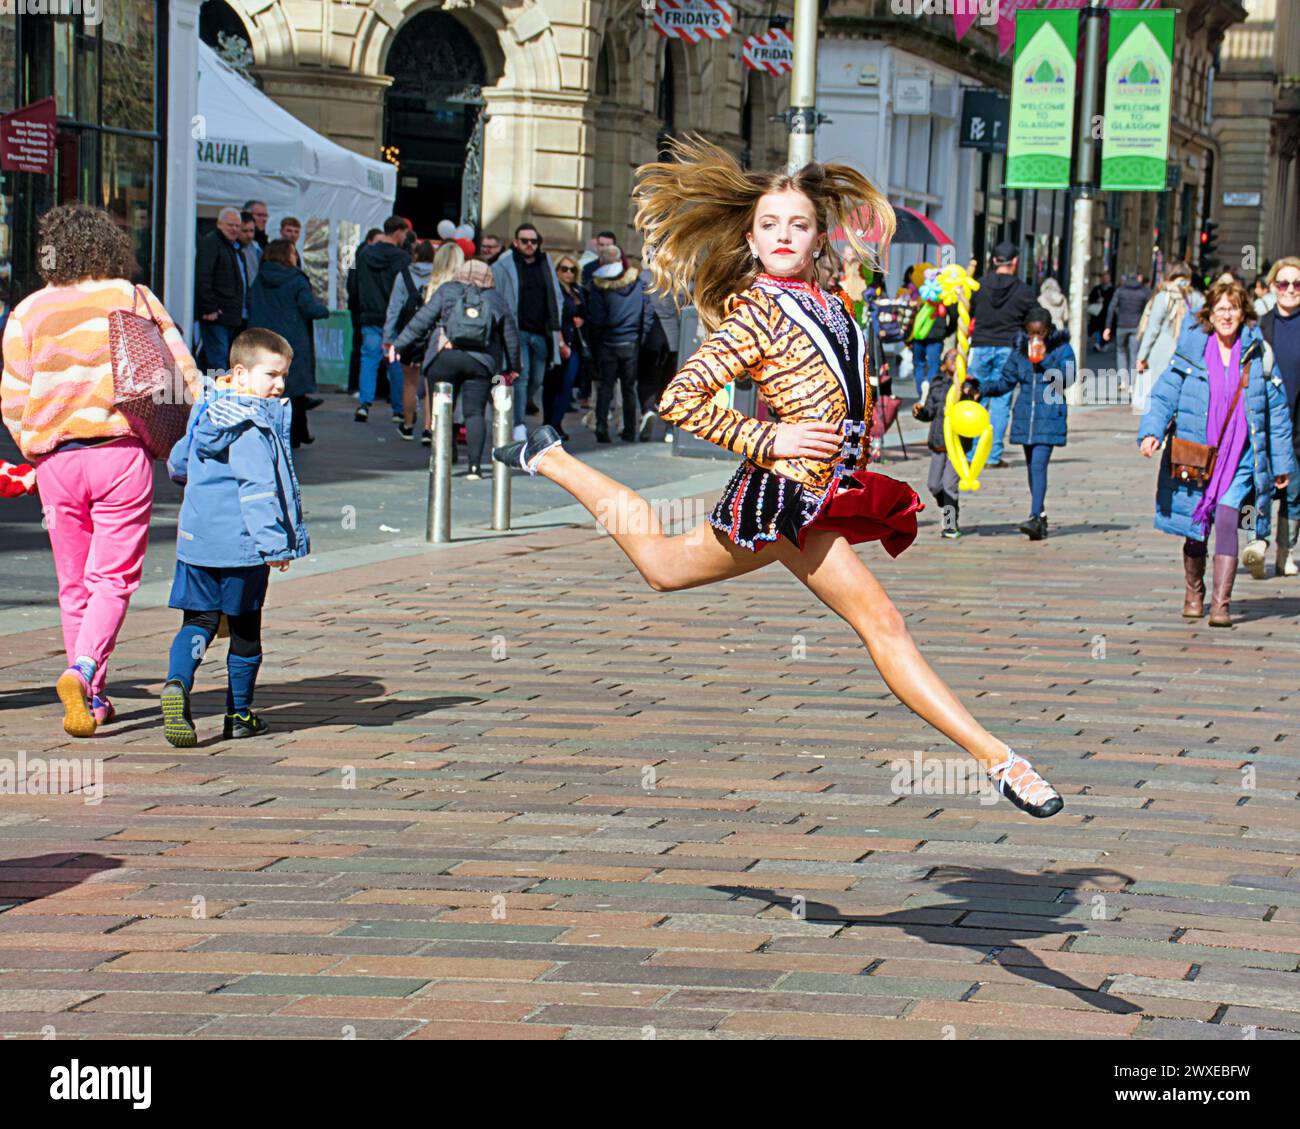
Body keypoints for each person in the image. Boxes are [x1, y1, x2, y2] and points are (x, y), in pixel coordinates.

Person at [491, 133, 1064, 819]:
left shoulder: (830, 302)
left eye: (797, 224)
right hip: (788, 495)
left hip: (820, 489)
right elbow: (679, 400)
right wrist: (771, 433)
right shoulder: (758, 310)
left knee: (665, 567)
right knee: (883, 621)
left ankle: (548, 457)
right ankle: (1000, 759)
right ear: (752, 238)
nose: (783, 235)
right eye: (769, 225)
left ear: (820, 235)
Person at [1, 204, 202, 736]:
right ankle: (84, 670)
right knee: (112, 578)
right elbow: (181, 373)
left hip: (57, 463)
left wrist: (34, 452)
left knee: (74, 584)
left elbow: (14, 400)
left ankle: (92, 701)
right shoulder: (131, 296)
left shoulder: (27, 311)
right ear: (108, 246)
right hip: (120, 453)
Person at [160, 328, 309, 746]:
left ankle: (178, 683)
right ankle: (239, 713)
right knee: (245, 630)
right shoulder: (252, 423)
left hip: (196, 541)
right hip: (242, 547)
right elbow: (258, 490)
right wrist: (275, 545)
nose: (279, 385)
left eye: (283, 377)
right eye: (271, 375)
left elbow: (179, 461)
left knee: (199, 621)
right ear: (241, 375)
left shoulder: (207, 406)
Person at [1137, 278, 1295, 627]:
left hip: (1239, 458)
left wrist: (1283, 463)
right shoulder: (1192, 350)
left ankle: (1221, 604)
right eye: (1221, 308)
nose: (1227, 315)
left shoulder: (1259, 353)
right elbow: (1165, 395)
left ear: (1243, 312)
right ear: (1210, 312)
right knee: (1196, 529)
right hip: (1197, 456)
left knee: (1226, 517)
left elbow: (1278, 413)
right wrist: (1151, 432)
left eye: (1234, 308)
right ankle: (1194, 592)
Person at [393, 258, 520, 480]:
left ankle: (444, 458)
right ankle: (474, 468)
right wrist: (514, 366)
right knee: (474, 412)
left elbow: (422, 320)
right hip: (480, 362)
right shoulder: (494, 298)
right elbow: (510, 334)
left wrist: (399, 344)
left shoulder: (447, 290)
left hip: (444, 356)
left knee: (442, 409)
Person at [973, 306, 1077, 540]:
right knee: (1031, 468)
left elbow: (1067, 379)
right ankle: (1039, 515)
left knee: (1039, 464)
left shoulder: (1062, 350)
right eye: (1031, 333)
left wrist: (1044, 362)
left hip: (1049, 416)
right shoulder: (1019, 352)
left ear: (1049, 331)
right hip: (1024, 417)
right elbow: (1005, 382)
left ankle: (1035, 515)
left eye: (1039, 333)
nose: (1035, 338)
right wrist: (980, 387)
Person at [248, 238, 329, 449]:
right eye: (293, 253)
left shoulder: (260, 278)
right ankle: (294, 435)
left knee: (269, 387)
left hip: (264, 339)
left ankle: (291, 432)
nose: (296, 256)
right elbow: (309, 307)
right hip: (292, 340)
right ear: (286, 255)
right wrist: (323, 310)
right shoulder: (296, 279)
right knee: (292, 390)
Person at [491, 223, 564, 438]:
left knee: (537, 379)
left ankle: (518, 408)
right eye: (525, 241)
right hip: (517, 330)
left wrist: (557, 329)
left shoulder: (545, 263)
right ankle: (518, 424)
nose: (530, 245)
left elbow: (556, 295)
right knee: (521, 377)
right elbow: (496, 295)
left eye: (534, 241)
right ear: (516, 242)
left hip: (543, 331)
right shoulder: (504, 264)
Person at [969, 240, 1036, 468]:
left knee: (976, 397)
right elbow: (1036, 318)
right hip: (1009, 348)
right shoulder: (1024, 291)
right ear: (1015, 262)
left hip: (980, 346)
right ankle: (991, 454)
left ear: (994, 260)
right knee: (1000, 401)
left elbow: (965, 311)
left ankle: (971, 454)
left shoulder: (978, 286)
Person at [1257, 256, 1300, 577]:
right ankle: (1254, 545)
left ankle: (1285, 553)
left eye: (1297, 284)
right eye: (1283, 283)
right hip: (1262, 424)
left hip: (1297, 424)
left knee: (1294, 494)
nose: (1290, 290)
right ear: (1273, 287)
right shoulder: (1259, 326)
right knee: (1252, 492)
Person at [585, 244, 654, 443]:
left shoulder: (599, 285)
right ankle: (630, 430)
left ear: (601, 261)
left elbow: (596, 319)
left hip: (608, 343)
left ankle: (601, 427)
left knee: (605, 388)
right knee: (628, 388)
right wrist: (640, 335)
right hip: (631, 342)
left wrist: (595, 343)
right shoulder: (637, 282)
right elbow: (647, 312)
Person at [911, 348, 975, 539]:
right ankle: (947, 505)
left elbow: (974, 406)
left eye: (958, 357)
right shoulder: (937, 383)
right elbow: (930, 411)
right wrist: (920, 412)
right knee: (933, 485)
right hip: (939, 441)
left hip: (957, 443)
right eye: (951, 357)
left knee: (948, 485)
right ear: (943, 363)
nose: (955, 360)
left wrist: (969, 392)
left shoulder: (967, 384)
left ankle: (950, 525)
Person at [352, 215, 411, 423]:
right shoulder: (402, 258)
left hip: (369, 313)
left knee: (369, 358)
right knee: (395, 362)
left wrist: (358, 307)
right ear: (398, 232)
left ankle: (364, 403)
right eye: (404, 233)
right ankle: (398, 408)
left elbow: (354, 280)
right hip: (393, 317)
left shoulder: (365, 254)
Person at [383, 240, 436, 440]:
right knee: (431, 383)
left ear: (414, 256)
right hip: (431, 333)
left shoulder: (403, 275)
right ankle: (428, 429)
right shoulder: (437, 276)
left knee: (409, 383)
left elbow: (394, 308)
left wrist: (388, 337)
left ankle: (407, 425)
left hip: (409, 333)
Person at [1134, 262, 1204, 414]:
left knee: (1157, 394)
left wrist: (1142, 356)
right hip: (1187, 350)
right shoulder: (1195, 297)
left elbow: (1153, 329)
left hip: (1161, 351)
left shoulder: (1163, 297)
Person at [195, 206, 249, 372]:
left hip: (228, 314)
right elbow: (203, 276)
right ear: (219, 224)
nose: (234, 229)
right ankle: (216, 394)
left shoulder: (234, 248)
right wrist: (209, 307)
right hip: (216, 314)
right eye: (230, 225)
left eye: (237, 226)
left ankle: (204, 392)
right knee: (218, 358)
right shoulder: (212, 243)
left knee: (214, 356)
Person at [547, 254, 587, 440]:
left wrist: (581, 320)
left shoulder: (577, 290)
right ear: (557, 271)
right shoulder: (555, 291)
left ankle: (556, 424)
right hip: (559, 343)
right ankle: (551, 424)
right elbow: (554, 318)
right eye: (564, 269)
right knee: (555, 386)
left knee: (567, 386)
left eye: (572, 270)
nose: (568, 273)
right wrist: (561, 342)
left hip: (575, 344)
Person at [1105, 272, 1152, 386]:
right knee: (1134, 353)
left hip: (1122, 325)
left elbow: (1111, 308)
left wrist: (1107, 327)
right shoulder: (1143, 292)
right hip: (1136, 326)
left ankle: (1123, 381)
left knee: (1121, 351)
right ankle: (1132, 383)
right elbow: (1149, 309)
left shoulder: (1120, 290)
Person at [1088, 271, 1115, 352]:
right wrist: (1097, 300)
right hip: (1097, 314)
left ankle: (1105, 343)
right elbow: (1091, 298)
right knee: (1097, 328)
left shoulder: (1113, 289)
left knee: (1105, 328)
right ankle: (1097, 343)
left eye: (1106, 278)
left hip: (1107, 313)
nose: (1105, 280)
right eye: (1103, 278)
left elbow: (1113, 301)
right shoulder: (1097, 288)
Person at [238, 211, 261, 284]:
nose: (249, 235)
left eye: (252, 231)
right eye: (245, 231)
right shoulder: (230, 249)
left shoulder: (256, 248)